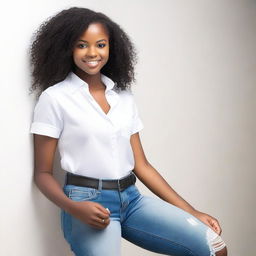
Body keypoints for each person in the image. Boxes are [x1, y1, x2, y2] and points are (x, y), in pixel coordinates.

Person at [29, 7, 228, 256]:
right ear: (68, 48)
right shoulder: (55, 98)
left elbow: (141, 165)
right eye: (82, 45)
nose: (92, 53)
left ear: (111, 48)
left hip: (132, 199)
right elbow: (43, 173)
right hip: (85, 200)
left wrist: (191, 211)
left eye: (100, 44)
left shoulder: (123, 97)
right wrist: (74, 208)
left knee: (214, 248)